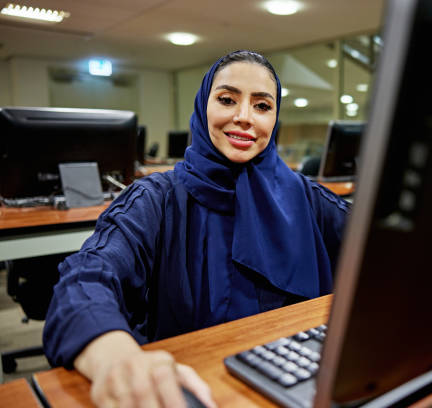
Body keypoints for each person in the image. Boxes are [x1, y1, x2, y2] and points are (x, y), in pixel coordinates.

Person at [42, 50, 349, 408]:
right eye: (226, 100)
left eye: (262, 106)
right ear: (204, 105)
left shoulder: (304, 198)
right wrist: (117, 358)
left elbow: (384, 246)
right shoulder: (156, 198)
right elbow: (84, 281)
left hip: (297, 384)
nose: (244, 117)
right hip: (193, 390)